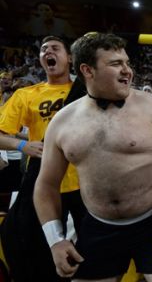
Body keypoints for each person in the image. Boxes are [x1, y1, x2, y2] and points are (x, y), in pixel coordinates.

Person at [33, 33, 152, 280]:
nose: (127, 71)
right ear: (87, 70)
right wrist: (55, 241)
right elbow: (46, 185)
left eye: (127, 63)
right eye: (116, 64)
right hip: (99, 226)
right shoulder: (62, 122)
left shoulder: (151, 105)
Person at [0, 36, 85, 282]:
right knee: (34, 247)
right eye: (44, 50)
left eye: (55, 48)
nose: (48, 51)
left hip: (86, 183)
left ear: (70, 58)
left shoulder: (88, 90)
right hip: (47, 184)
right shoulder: (26, 94)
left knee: (95, 249)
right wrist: (23, 145)